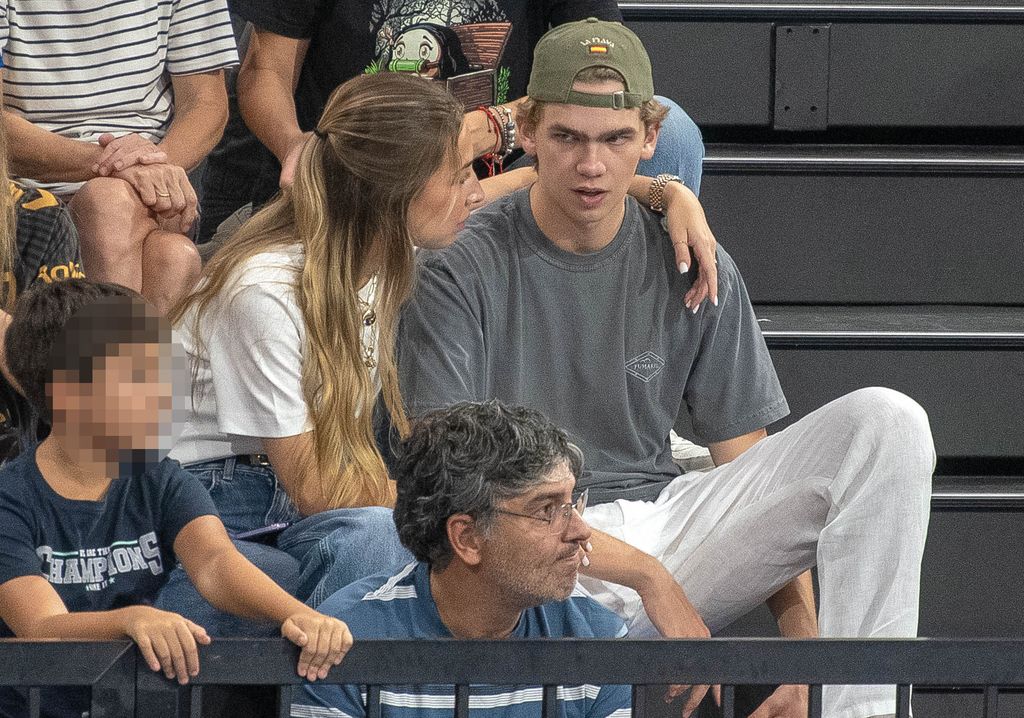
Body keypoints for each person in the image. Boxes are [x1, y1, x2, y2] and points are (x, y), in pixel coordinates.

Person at [397, 19, 935, 718]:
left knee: (888, 421)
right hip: (528, 546)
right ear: (527, 132)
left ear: (650, 137)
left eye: (616, 139)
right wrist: (648, 578)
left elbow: (760, 485)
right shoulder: (458, 266)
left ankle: (855, 706)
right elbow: (449, 482)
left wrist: (806, 659)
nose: (592, 165)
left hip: (663, 521)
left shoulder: (693, 257)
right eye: (568, 138)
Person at [167, 70, 717, 632]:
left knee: (461, 539)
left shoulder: (380, 240)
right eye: (458, 177)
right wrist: (497, 518)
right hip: (224, 499)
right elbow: (321, 490)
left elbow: (537, 182)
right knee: (392, 542)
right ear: (392, 192)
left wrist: (666, 193)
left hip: (301, 491)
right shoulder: (267, 290)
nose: (476, 193)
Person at [0, 279, 352, 718]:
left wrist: (298, 616)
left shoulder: (161, 479)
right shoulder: (9, 500)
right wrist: (130, 620)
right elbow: (42, 628)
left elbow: (214, 562)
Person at [199, 0, 706, 246]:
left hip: (496, 174)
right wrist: (297, 145)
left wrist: (487, 127)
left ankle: (631, 379)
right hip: (368, 170)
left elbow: (604, 75)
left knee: (670, 127)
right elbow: (264, 68)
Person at [291, 400, 631, 718]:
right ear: (467, 538)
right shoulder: (344, 644)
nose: (580, 531)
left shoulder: (599, 640)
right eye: (547, 510)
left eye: (573, 504)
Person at [0, 0, 238, 314]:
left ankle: (99, 361)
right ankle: (112, 362)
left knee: (173, 258)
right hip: (32, 195)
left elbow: (206, 104)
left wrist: (155, 170)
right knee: (163, 250)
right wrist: (111, 165)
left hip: (155, 187)